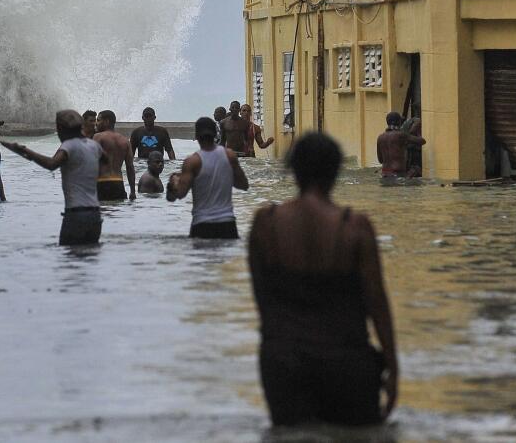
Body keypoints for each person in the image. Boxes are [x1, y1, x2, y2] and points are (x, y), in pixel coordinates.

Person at [248, 132, 398, 426]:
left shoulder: (265, 224)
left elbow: (263, 300)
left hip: (284, 361)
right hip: (345, 361)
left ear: (293, 170)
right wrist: (393, 367)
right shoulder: (355, 227)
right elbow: (377, 303)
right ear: (336, 170)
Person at [2, 110, 108, 245]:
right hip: (95, 215)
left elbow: (51, 164)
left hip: (76, 214)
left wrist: (25, 150)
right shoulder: (94, 145)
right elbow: (106, 160)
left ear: (61, 129)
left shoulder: (69, 145)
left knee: (70, 260)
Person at [167, 117, 249, 239]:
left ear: (196, 136)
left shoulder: (192, 162)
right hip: (227, 223)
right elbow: (243, 185)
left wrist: (173, 182)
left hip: (202, 224)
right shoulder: (229, 155)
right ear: (216, 134)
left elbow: (179, 194)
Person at [91, 110, 136, 201]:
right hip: (118, 184)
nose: (96, 123)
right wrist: (133, 191)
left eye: (99, 120)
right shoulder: (125, 141)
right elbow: (130, 168)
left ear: (107, 121)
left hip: (102, 184)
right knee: (116, 213)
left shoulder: (98, 137)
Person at [377, 111, 425, 178]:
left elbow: (380, 160)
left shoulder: (380, 138)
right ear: (398, 122)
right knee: (416, 169)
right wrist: (415, 130)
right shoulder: (401, 135)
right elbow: (422, 141)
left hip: (384, 175)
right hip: (398, 175)